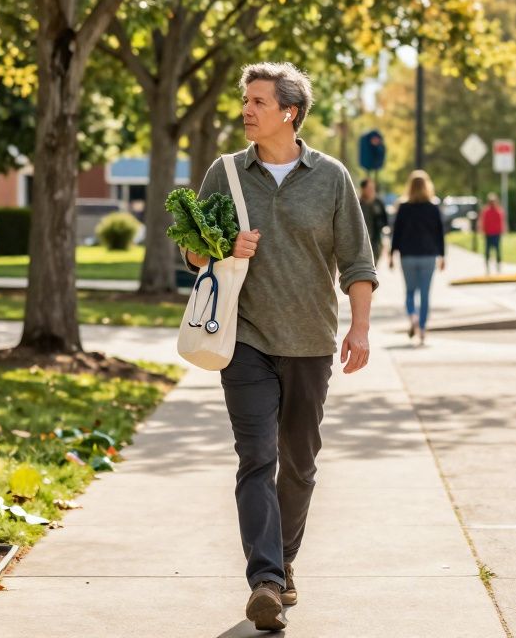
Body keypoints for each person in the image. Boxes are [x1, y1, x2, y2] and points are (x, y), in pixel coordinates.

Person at [178, 62, 378, 632]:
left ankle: (285, 560)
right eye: (246, 100)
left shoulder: (332, 177)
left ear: (289, 113)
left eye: (259, 102)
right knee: (256, 458)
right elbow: (193, 252)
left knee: (300, 463)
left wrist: (358, 329)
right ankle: (264, 579)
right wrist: (218, 250)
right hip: (243, 338)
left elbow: (357, 262)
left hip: (311, 342)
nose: (247, 110)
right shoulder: (225, 173)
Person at [389, 170, 445, 346]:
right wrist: (443, 255)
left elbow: (396, 233)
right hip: (428, 255)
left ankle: (412, 316)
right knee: (425, 294)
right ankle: (421, 327)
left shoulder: (403, 207)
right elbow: (440, 233)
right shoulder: (433, 207)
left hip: (408, 255)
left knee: (410, 292)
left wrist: (392, 254)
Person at [359, 178, 389, 266]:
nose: (371, 191)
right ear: (363, 189)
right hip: (360, 241)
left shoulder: (378, 203)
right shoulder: (357, 203)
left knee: (373, 264)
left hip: (375, 240)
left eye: (373, 188)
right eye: (369, 188)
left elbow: (385, 221)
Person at [479, 193, 506, 274]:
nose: (492, 203)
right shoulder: (486, 211)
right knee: (487, 251)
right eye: (491, 201)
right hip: (488, 234)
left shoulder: (499, 211)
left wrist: (502, 231)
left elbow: (501, 222)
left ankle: (498, 267)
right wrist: (482, 231)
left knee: (498, 251)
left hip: (496, 234)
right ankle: (487, 268)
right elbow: (483, 222)